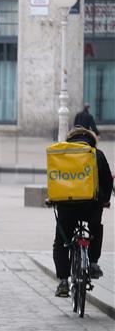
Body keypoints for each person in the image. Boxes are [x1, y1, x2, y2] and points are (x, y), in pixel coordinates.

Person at [53, 127, 112, 297]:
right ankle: (93, 263)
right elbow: (107, 181)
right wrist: (105, 199)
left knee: (61, 241)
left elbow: (54, 178)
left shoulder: (61, 155)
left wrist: (53, 199)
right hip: (91, 207)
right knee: (95, 228)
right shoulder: (97, 154)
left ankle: (63, 281)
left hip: (67, 207)